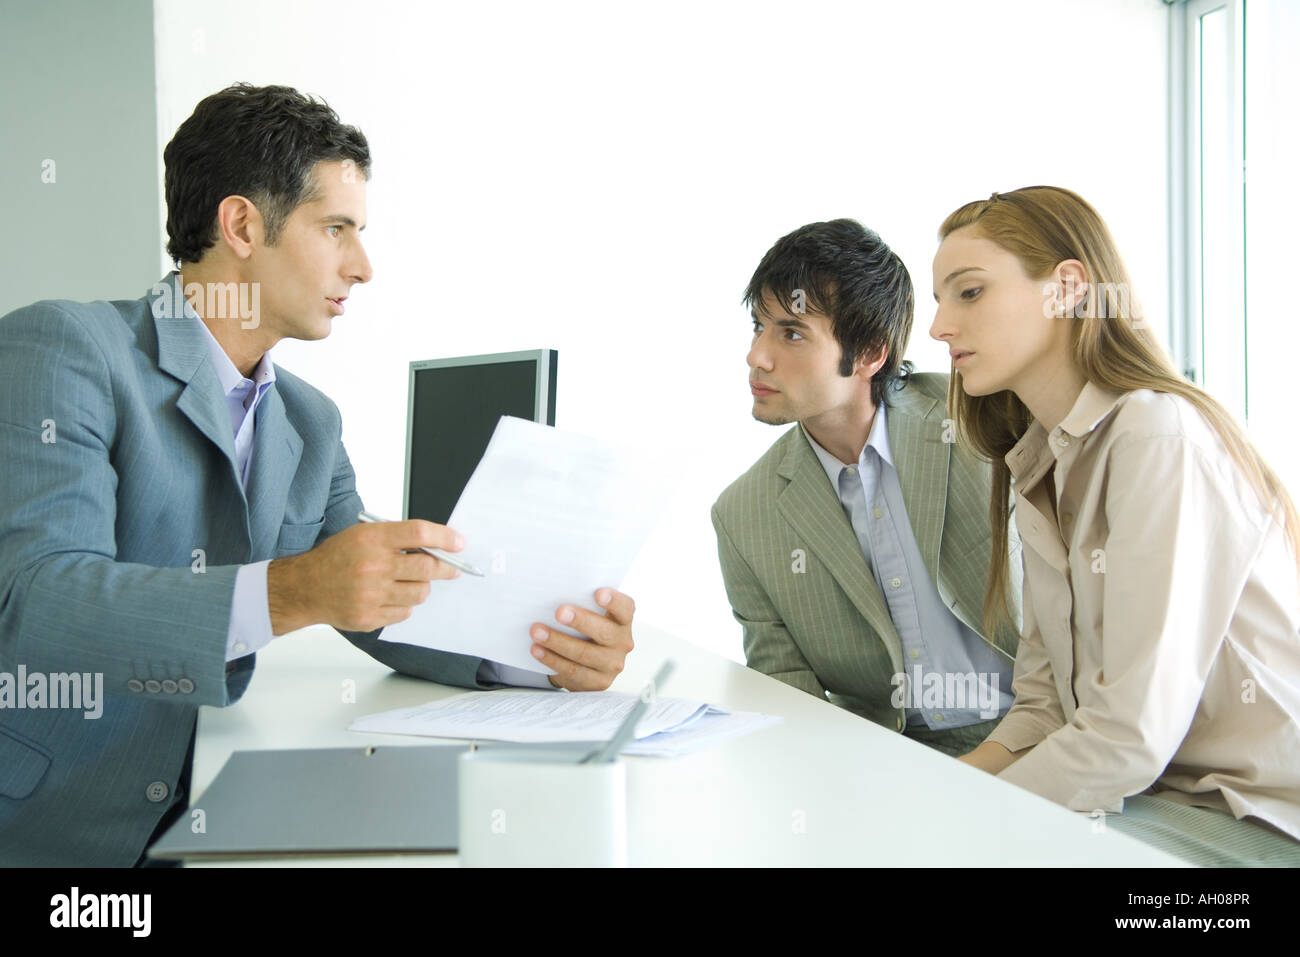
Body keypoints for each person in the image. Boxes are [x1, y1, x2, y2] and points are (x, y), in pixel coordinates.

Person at [0, 84, 635, 867]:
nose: (362, 266)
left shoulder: (309, 419)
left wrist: (540, 650)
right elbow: (38, 599)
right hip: (51, 826)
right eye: (336, 228)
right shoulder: (66, 348)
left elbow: (373, 605)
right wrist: (293, 589)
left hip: (202, 803)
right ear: (241, 225)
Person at [932, 185, 1300, 865]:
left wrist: (969, 825)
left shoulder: (1156, 435)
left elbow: (1129, 734)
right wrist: (932, 795)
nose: (939, 327)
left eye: (969, 292)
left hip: (1253, 817)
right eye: (939, 300)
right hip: (1153, 796)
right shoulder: (1044, 457)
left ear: (1067, 287)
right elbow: (1044, 705)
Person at [711, 219, 1021, 756]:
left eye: (791, 333)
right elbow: (790, 697)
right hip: (888, 763)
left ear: (871, 354)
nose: (757, 356)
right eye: (758, 326)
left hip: (1037, 737)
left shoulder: (983, 423)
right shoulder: (742, 516)